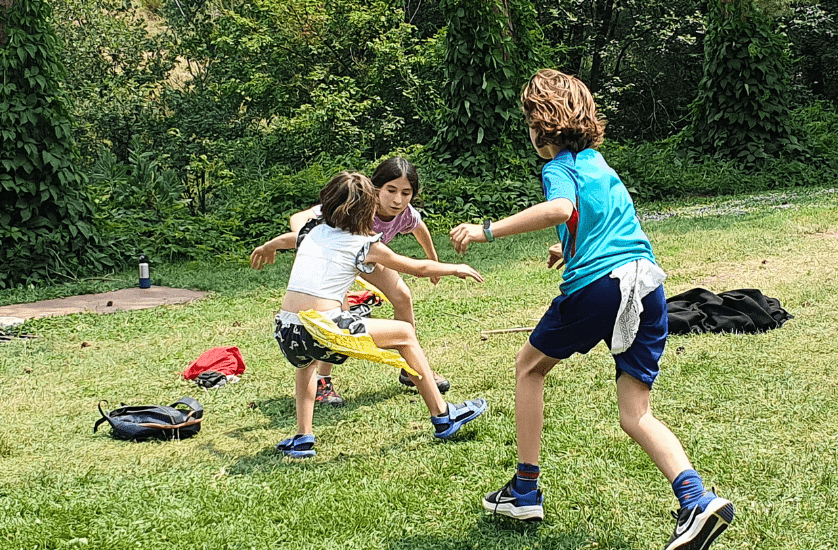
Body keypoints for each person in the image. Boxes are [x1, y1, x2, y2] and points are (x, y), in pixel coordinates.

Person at [450, 69, 734, 550]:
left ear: (542, 125)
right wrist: (570, 248)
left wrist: (486, 230)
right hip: (647, 285)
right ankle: (696, 500)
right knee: (635, 413)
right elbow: (604, 220)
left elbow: (561, 208)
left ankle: (524, 489)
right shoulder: (599, 163)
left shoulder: (559, 166)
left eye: (528, 122)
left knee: (528, 369)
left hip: (600, 288)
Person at [252, 171, 487, 459]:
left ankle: (303, 437)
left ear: (326, 202)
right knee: (405, 334)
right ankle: (443, 416)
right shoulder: (365, 244)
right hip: (323, 328)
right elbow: (417, 268)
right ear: (368, 209)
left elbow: (284, 239)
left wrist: (266, 247)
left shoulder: (311, 231)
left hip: (287, 331)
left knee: (307, 366)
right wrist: (454, 267)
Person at [285, 157, 451, 405]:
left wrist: (433, 259)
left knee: (402, 296)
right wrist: (308, 239)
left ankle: (411, 368)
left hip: (369, 257)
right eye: (391, 190)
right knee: (337, 317)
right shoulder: (357, 203)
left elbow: (420, 228)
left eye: (406, 193)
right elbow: (300, 217)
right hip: (336, 265)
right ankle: (323, 382)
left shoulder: (404, 212)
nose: (397, 199)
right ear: (376, 188)